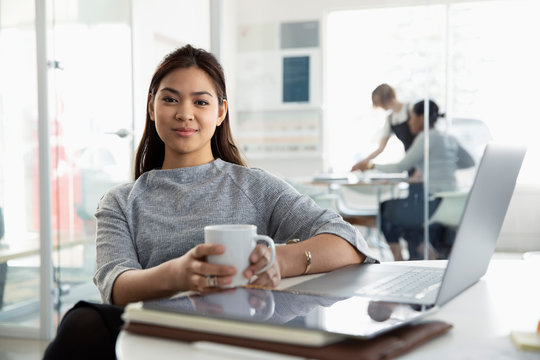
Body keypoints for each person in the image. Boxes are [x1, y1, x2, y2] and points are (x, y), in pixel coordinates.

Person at [43, 44, 377, 360]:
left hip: (238, 335)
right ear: (152, 107)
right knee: (82, 323)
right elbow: (115, 288)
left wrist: (279, 260)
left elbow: (349, 243)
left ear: (220, 112)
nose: (184, 113)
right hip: (155, 336)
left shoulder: (254, 185)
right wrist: (179, 274)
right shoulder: (120, 202)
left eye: (200, 102)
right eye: (171, 99)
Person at [355, 99, 474, 261]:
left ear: (421, 118)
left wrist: (368, 166)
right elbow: (469, 162)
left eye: (411, 118)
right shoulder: (448, 138)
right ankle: (428, 252)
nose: (410, 123)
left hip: (433, 202)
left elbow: (400, 166)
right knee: (405, 214)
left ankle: (398, 260)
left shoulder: (425, 138)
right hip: (454, 202)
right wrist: (442, 165)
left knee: (385, 209)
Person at [351, 84, 415, 174]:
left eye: (378, 102)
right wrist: (363, 163)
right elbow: (380, 148)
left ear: (384, 99)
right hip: (409, 162)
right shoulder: (390, 119)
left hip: (421, 159)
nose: (379, 106)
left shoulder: (410, 108)